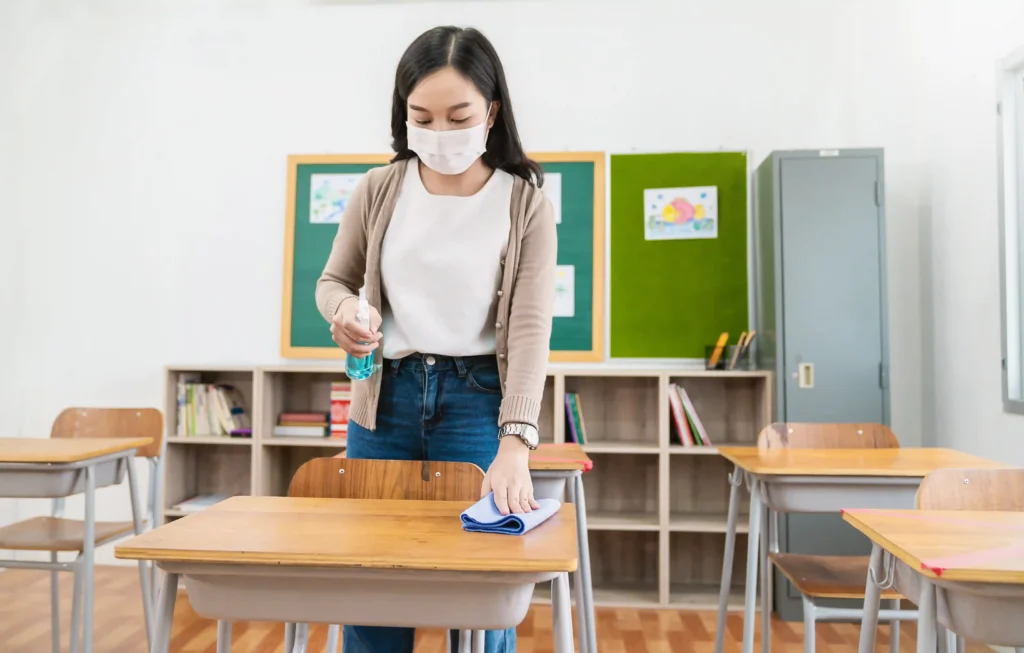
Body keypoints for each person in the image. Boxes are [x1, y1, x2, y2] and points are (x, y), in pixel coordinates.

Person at [315, 25, 557, 653]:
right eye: (421, 116)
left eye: (459, 116)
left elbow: (530, 328)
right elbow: (333, 281)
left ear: (492, 111)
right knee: (371, 584)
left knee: (479, 596)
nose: (439, 132)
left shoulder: (524, 202)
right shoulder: (378, 188)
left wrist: (516, 442)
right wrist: (344, 312)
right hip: (385, 398)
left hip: (479, 401)